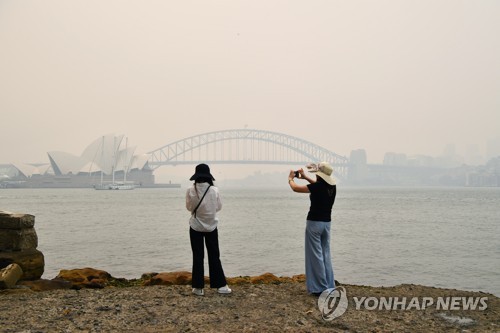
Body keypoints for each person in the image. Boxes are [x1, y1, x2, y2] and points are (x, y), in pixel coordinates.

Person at [288, 162, 337, 295]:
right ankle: (330, 286)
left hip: (314, 223)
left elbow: (295, 189)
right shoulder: (332, 186)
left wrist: (290, 179)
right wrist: (305, 177)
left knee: (315, 255)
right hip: (327, 224)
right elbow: (316, 186)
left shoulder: (318, 187)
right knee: (325, 254)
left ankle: (320, 288)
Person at [186, 163, 232, 296]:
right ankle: (221, 286)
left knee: (198, 256)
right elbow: (218, 207)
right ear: (208, 177)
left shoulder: (190, 190)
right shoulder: (214, 190)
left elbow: (189, 208)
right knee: (214, 256)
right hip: (211, 226)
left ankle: (198, 288)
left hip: (195, 227)